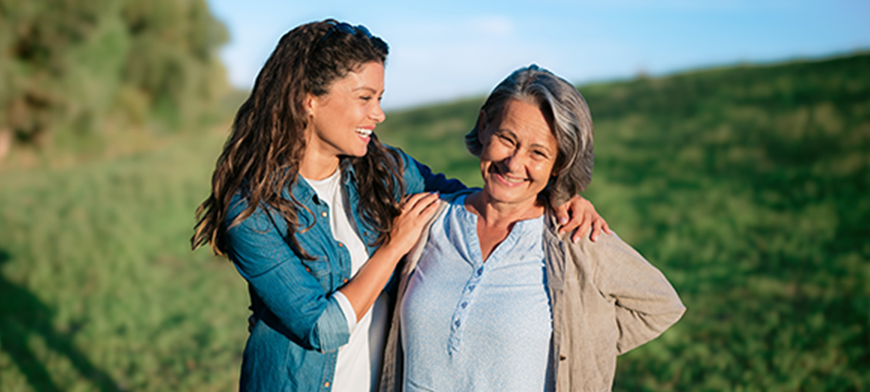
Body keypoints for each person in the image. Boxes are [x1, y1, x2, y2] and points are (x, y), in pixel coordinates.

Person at [190, 20, 608, 392]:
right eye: (365, 97)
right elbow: (321, 327)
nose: (379, 113)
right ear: (308, 99)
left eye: (381, 97)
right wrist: (392, 249)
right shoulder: (253, 209)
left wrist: (561, 197)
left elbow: (474, 199)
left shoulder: (386, 171)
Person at [379, 65, 686, 392]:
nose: (513, 163)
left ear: (559, 164)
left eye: (537, 153)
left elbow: (660, 305)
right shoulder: (428, 218)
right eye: (506, 139)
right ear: (484, 127)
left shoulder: (574, 235)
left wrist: (579, 341)